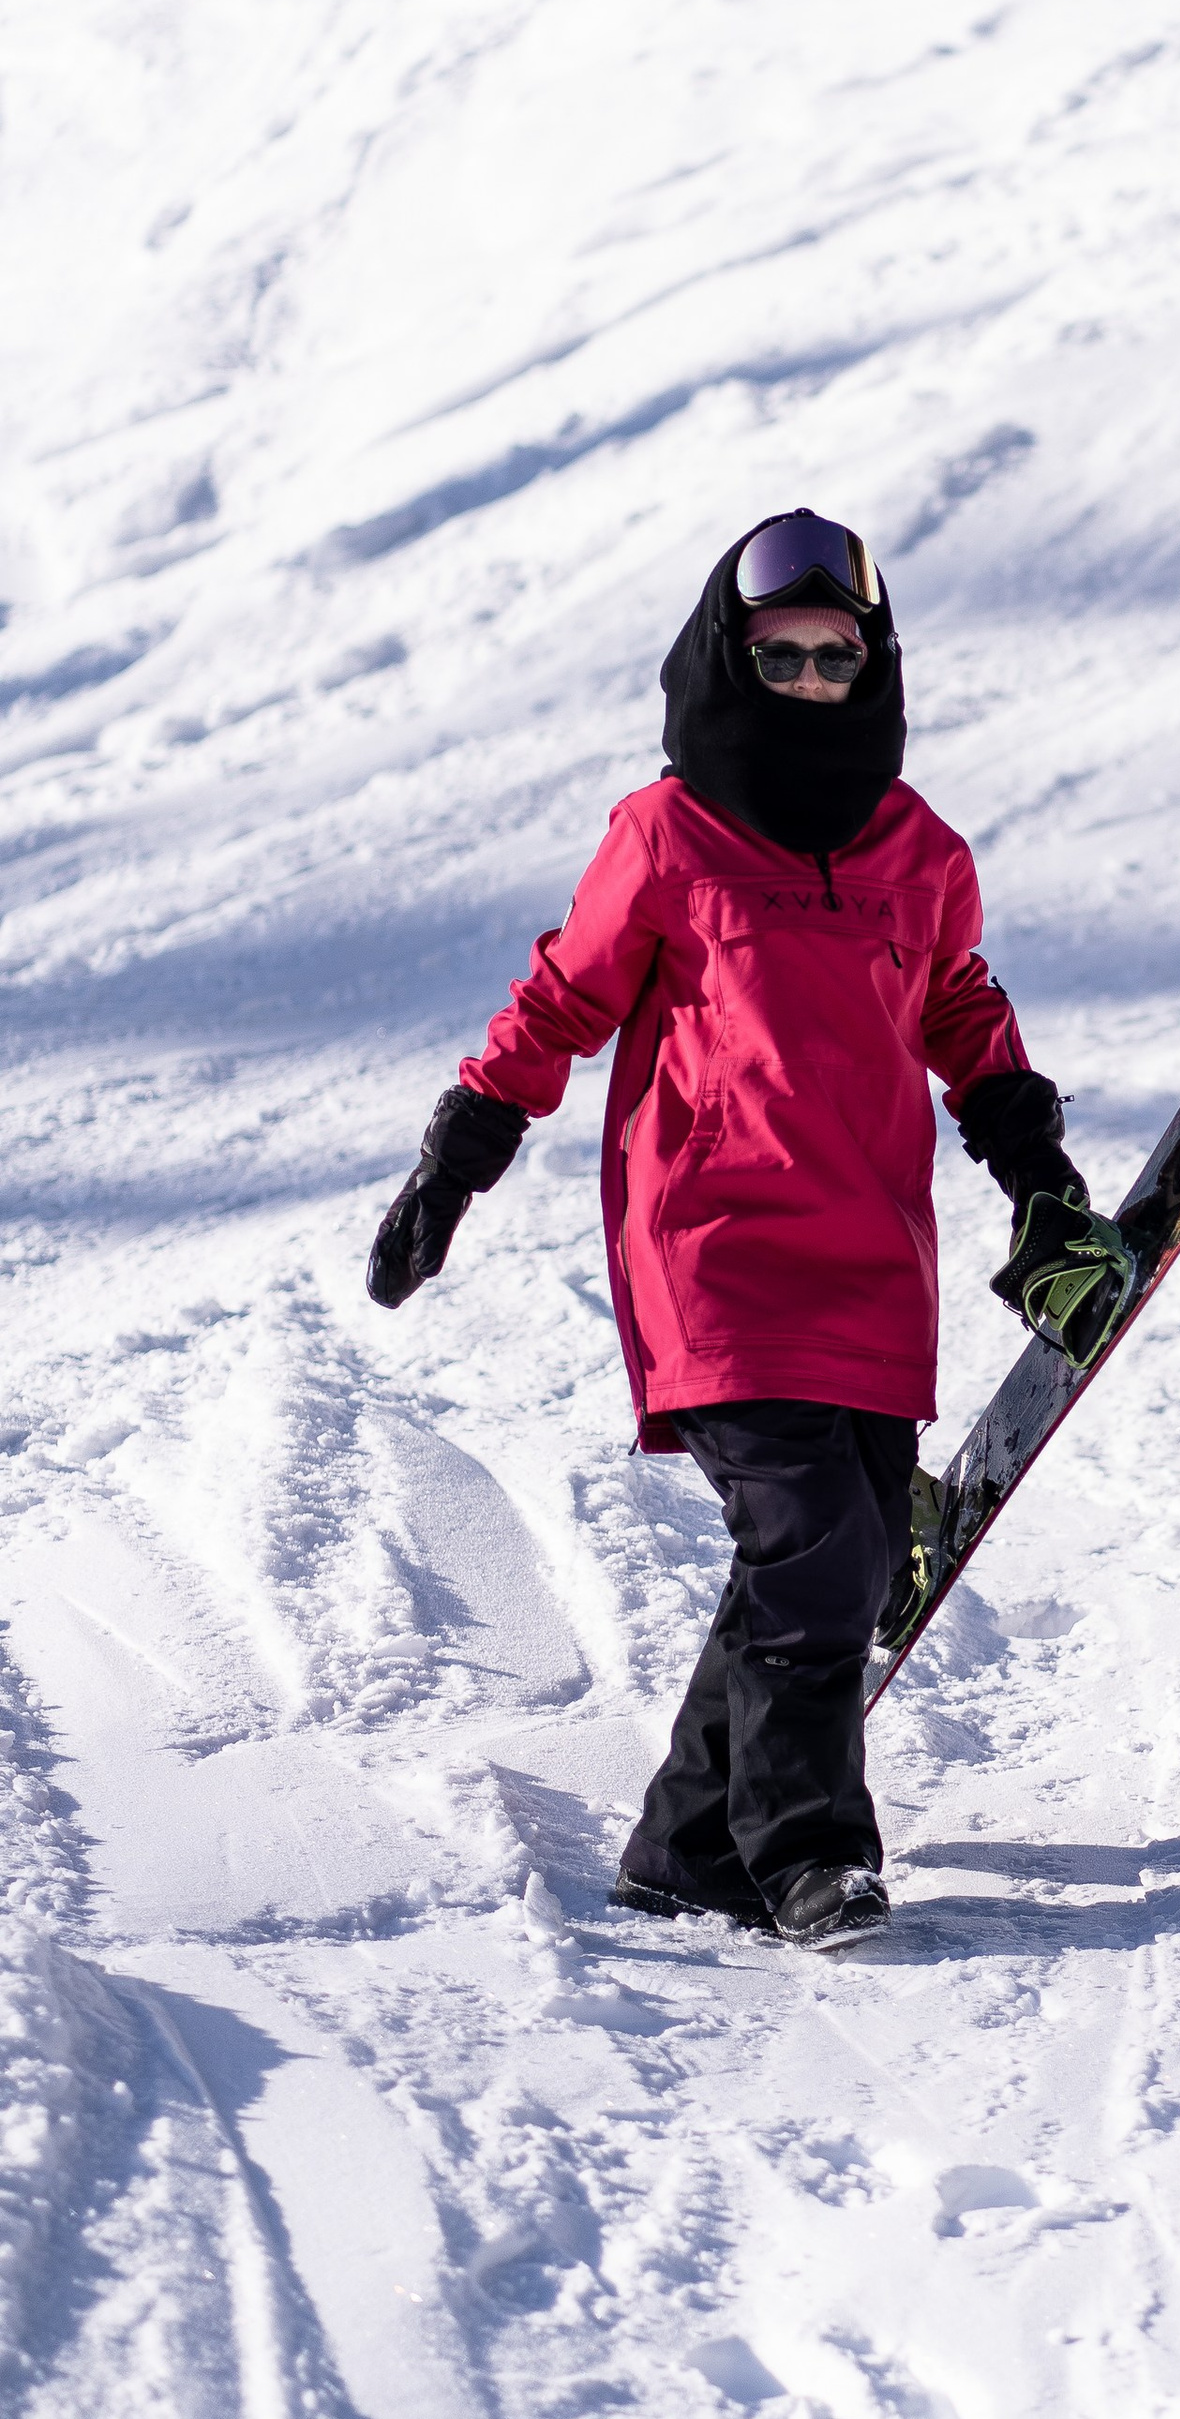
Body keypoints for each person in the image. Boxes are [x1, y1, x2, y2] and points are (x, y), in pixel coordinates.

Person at [362, 511, 1133, 1950]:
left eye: (837, 658)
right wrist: (459, 1157)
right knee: (818, 1547)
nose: (811, 681)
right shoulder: (665, 835)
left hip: (873, 1261)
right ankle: (808, 1852)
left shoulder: (919, 848)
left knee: (834, 1559)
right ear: (729, 660)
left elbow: (961, 1010)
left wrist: (1040, 1177)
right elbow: (562, 1000)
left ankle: (686, 1849)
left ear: (874, 665)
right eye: (780, 658)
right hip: (713, 1249)